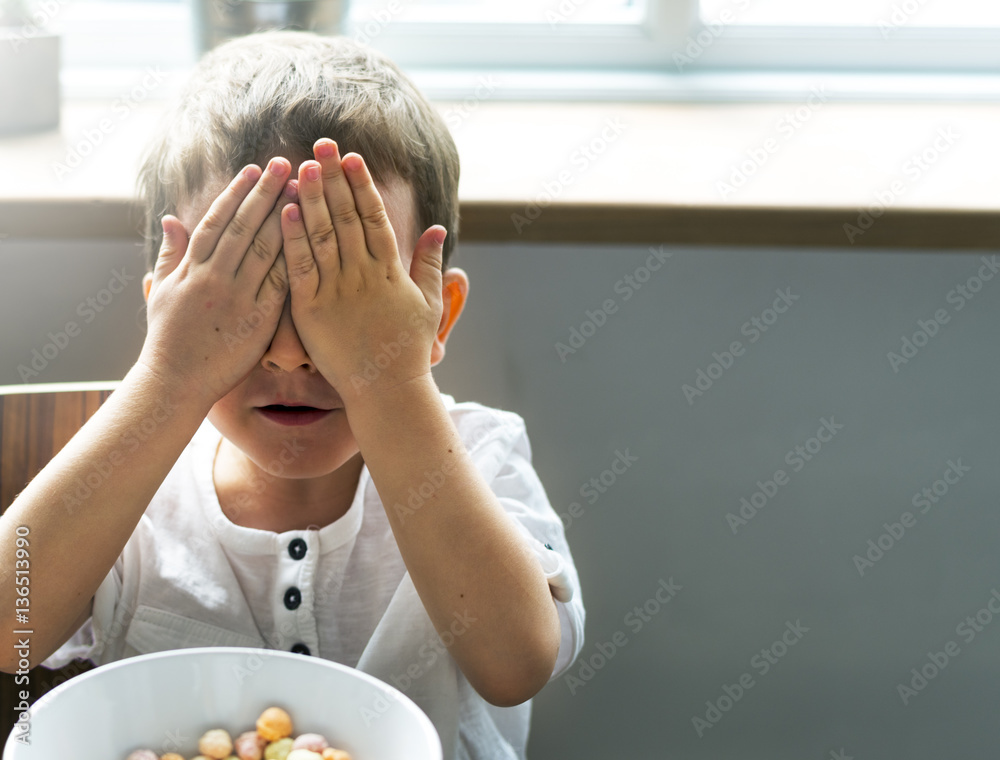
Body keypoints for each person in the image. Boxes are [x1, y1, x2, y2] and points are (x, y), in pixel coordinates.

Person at [0, 30, 584, 759]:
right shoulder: (134, 497)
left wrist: (393, 382)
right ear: (169, 316)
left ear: (434, 318)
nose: (287, 351)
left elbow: (515, 664)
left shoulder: (482, 458)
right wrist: (168, 379)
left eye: (343, 301)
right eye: (244, 299)